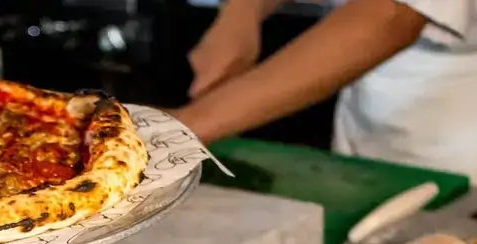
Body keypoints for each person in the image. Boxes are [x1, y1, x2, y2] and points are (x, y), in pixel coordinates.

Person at [174, 0, 477, 180]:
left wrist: (189, 125)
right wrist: (242, 14)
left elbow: (392, 15)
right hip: (364, 134)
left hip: (456, 151)